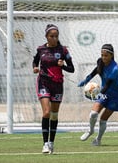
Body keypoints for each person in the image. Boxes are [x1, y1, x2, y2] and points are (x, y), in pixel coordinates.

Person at [33, 24, 75, 154]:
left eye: (56, 36)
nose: (54, 38)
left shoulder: (63, 50)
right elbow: (35, 61)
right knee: (46, 112)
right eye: (52, 36)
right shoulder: (40, 49)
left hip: (57, 85)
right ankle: (45, 143)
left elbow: (72, 69)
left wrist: (62, 66)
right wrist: (35, 67)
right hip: (43, 82)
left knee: (54, 115)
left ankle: (51, 142)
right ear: (46, 36)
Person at [78, 44, 118, 146]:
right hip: (103, 92)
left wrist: (95, 94)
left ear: (112, 55)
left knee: (103, 119)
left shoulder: (115, 68)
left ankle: (98, 139)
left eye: (106, 56)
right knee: (93, 114)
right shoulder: (100, 62)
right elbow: (94, 72)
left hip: (115, 96)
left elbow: (107, 85)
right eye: (102, 55)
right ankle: (90, 130)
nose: (103, 58)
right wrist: (85, 81)